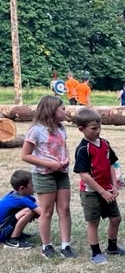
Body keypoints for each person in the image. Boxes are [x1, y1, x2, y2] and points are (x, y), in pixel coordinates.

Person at [21, 95, 75, 259]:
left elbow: (63, 149)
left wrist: (66, 159)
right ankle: (47, 246)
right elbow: (25, 155)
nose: (65, 111)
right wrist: (48, 164)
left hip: (61, 174)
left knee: (64, 209)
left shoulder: (61, 129)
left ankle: (66, 245)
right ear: (52, 110)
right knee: (47, 211)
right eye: (63, 108)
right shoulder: (36, 130)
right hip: (44, 175)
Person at [73, 108, 125, 264]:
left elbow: (111, 164)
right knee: (93, 222)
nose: (98, 131)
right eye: (93, 129)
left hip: (108, 190)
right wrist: (102, 192)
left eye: (99, 128)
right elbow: (84, 175)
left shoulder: (105, 144)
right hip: (91, 192)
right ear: (81, 129)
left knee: (116, 218)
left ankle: (112, 247)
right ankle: (95, 253)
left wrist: (114, 185)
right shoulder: (83, 149)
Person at [0, 170, 40, 249]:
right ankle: (13, 239)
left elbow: (36, 201)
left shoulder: (16, 194)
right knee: (28, 211)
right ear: (22, 188)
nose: (35, 187)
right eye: (32, 185)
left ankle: (17, 233)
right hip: (1, 232)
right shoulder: (22, 199)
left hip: (3, 227)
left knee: (30, 209)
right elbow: (43, 212)